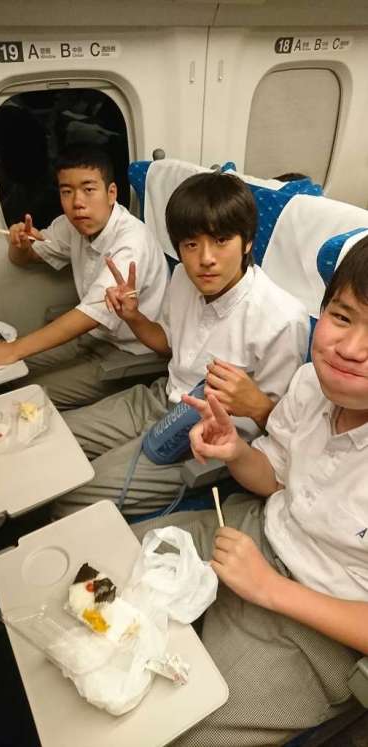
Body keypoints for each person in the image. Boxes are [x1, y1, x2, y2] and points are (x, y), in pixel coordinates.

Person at [131, 236, 368, 746]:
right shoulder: (309, 384)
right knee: (115, 562)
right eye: (342, 316)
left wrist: (268, 588)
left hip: (322, 623)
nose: (349, 349)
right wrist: (236, 452)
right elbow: (277, 477)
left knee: (181, 733)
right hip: (255, 532)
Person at [53, 171, 309, 518]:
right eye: (191, 245)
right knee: (55, 441)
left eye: (221, 240)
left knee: (75, 498)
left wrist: (256, 405)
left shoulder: (282, 319)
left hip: (203, 435)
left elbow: (281, 432)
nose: (205, 259)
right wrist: (134, 317)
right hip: (161, 397)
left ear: (247, 242)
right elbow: (168, 344)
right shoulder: (183, 279)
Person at [0, 146, 169, 409]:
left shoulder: (131, 242)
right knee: (3, 374)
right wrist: (20, 246)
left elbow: (90, 315)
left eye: (88, 189)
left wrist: (13, 349)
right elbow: (25, 259)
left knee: (24, 395)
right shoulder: (72, 226)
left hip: (130, 351)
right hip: (95, 337)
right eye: (67, 192)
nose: (77, 202)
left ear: (111, 193)